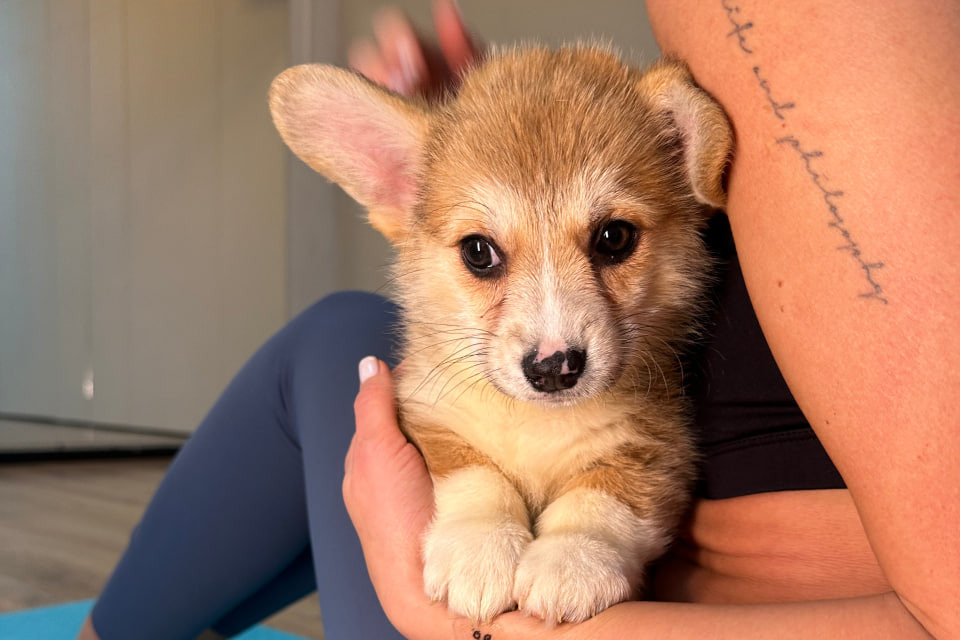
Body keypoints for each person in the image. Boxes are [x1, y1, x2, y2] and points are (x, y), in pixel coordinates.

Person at [79, 1, 959, 638]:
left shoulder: (786, 25)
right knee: (352, 333)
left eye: (612, 240)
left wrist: (468, 618)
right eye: (482, 254)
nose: (552, 341)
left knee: (331, 343)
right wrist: (481, 141)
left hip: (639, 613)